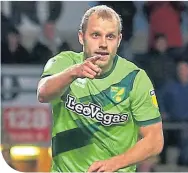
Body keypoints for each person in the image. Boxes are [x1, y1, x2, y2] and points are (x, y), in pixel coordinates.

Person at [37, 5, 164, 172]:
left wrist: (114, 163)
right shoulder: (64, 63)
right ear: (82, 37)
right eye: (96, 35)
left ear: (119, 40)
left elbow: (155, 140)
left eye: (110, 37)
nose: (103, 44)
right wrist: (73, 73)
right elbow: (43, 93)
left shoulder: (135, 78)